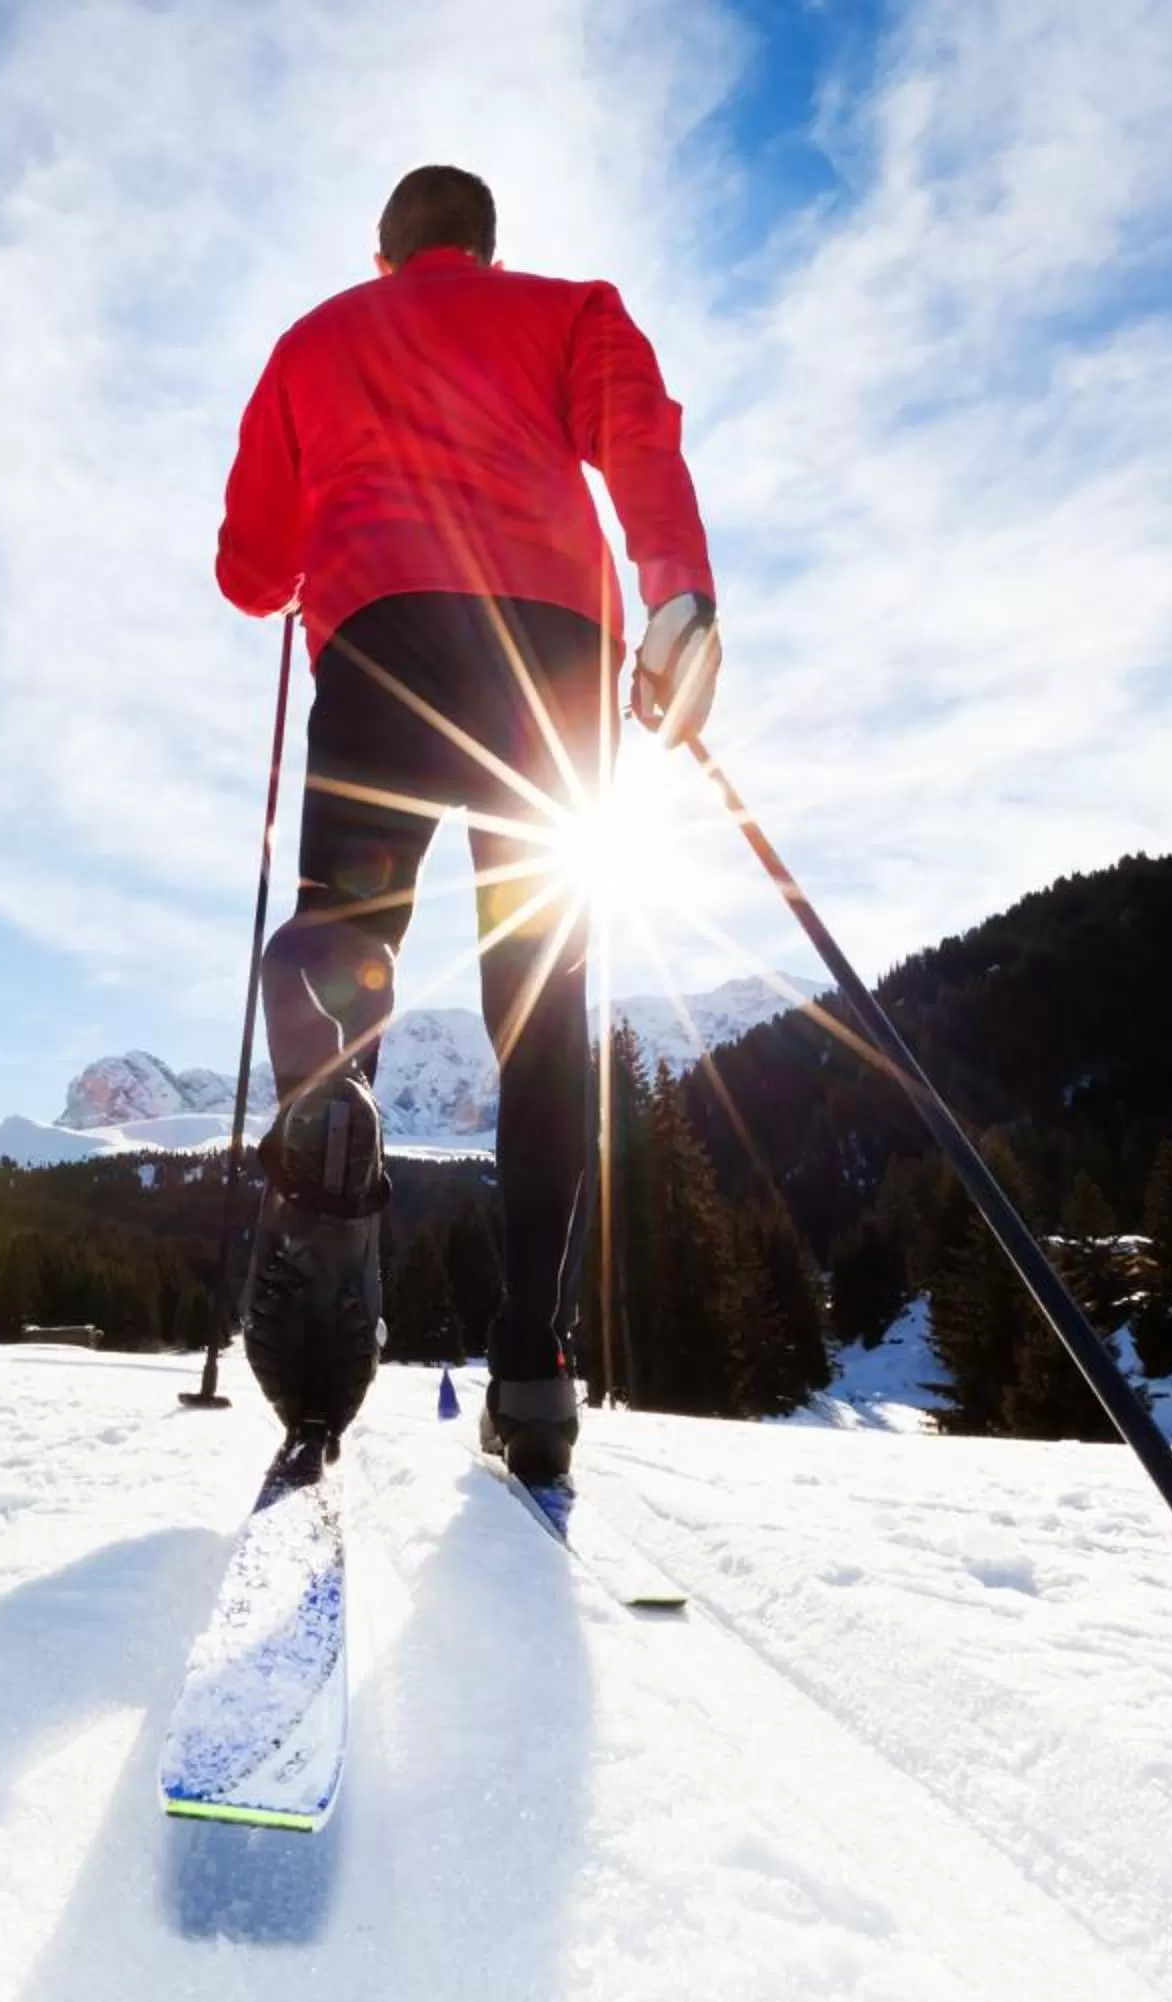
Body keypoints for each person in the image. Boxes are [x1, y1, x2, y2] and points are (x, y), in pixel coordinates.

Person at [213, 164, 721, 1484]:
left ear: (385, 256)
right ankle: (537, 1366)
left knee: (351, 940)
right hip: (549, 657)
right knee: (540, 1007)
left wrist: (293, 568)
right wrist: (677, 601)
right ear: (486, 250)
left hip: (380, 642)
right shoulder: (569, 313)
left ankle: (334, 1099)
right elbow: (643, 448)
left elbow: (248, 570)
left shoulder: (314, 343)